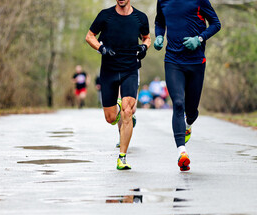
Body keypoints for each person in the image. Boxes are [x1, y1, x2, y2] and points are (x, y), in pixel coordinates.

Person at [154, 0, 221, 171]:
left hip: (196, 62)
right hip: (172, 60)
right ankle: (182, 152)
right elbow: (160, 21)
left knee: (191, 112)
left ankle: (188, 124)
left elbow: (216, 24)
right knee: (178, 103)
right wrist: (159, 35)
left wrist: (199, 39)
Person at [86, 0, 151, 170]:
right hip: (109, 71)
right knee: (110, 118)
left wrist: (144, 47)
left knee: (128, 111)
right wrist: (101, 48)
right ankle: (120, 108)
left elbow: (147, 38)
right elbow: (89, 36)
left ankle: (122, 158)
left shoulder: (140, 17)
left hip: (130, 69)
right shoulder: (105, 16)